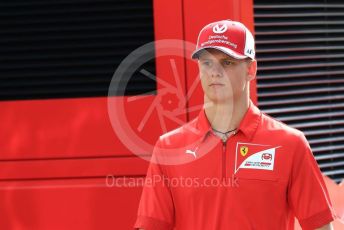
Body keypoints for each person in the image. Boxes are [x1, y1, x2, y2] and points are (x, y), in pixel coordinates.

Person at [134, 19, 334, 230]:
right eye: (207, 62)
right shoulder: (169, 148)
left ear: (251, 69)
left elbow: (319, 226)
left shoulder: (290, 144)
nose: (214, 71)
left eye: (227, 62)